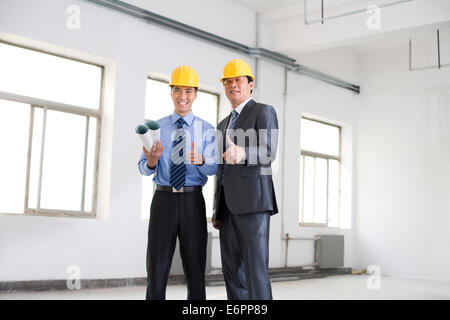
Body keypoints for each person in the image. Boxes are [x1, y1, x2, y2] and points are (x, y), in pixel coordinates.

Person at [138, 66, 218, 300]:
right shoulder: (156, 127)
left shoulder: (206, 130)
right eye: (178, 90)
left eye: (189, 92)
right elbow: (142, 166)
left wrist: (201, 160)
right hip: (163, 199)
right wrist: (151, 162)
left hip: (193, 200)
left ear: (195, 95)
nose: (183, 96)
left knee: (195, 266)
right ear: (171, 92)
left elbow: (214, 168)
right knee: (157, 265)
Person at [212, 59, 279, 300]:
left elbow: (269, 151)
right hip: (227, 208)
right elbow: (221, 169)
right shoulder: (222, 123)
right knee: (232, 272)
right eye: (228, 81)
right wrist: (217, 208)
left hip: (254, 203)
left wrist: (243, 153)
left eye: (238, 80)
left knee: (255, 269)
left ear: (251, 84)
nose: (233, 85)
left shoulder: (263, 111)